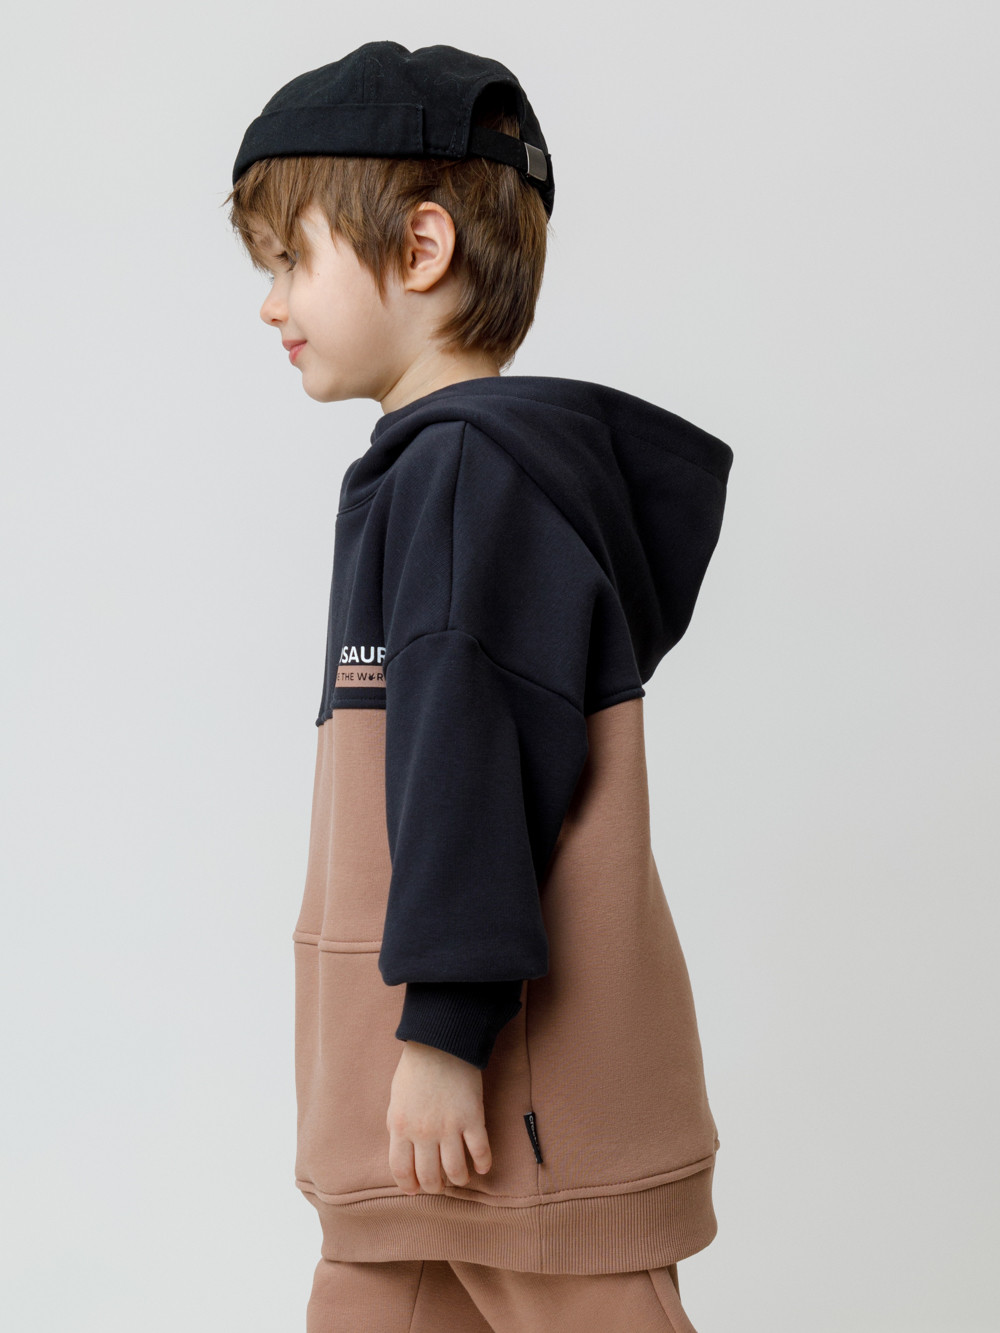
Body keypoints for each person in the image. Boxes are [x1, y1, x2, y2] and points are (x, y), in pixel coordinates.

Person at [225, 40, 734, 1333]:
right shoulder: (434, 476)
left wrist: (445, 1033)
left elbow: (471, 758)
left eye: (291, 259)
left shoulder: (466, 478)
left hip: (494, 1107)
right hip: (415, 1120)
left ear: (421, 248)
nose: (271, 304)